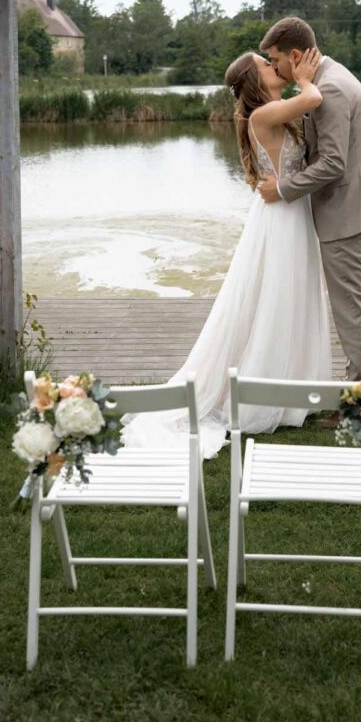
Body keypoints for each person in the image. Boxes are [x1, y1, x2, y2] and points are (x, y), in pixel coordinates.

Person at [122, 47, 331, 457]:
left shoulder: (274, 110)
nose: (275, 67)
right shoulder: (261, 115)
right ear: (255, 82)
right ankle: (269, 395)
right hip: (281, 220)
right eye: (266, 66)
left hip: (288, 212)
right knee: (278, 299)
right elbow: (313, 100)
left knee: (291, 297)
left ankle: (292, 386)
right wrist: (307, 75)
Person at [257, 17, 361, 382]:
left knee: (350, 309)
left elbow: (333, 163)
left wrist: (283, 190)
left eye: (276, 59)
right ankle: (359, 383)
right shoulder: (330, 78)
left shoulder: (330, 89)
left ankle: (360, 394)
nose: (274, 67)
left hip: (348, 213)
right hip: (357, 207)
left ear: (297, 55)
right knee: (355, 305)